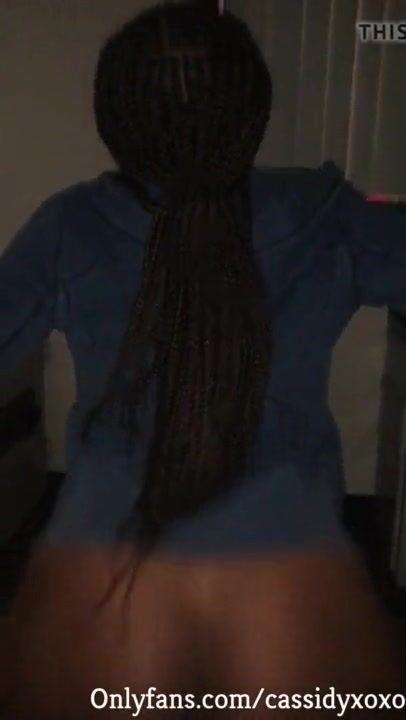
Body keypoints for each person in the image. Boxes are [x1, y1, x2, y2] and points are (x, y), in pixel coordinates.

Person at [1, 3, 405, 718]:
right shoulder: (325, 215)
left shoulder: (71, 224)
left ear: (112, 116)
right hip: (291, 573)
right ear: (252, 111)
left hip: (101, 575)